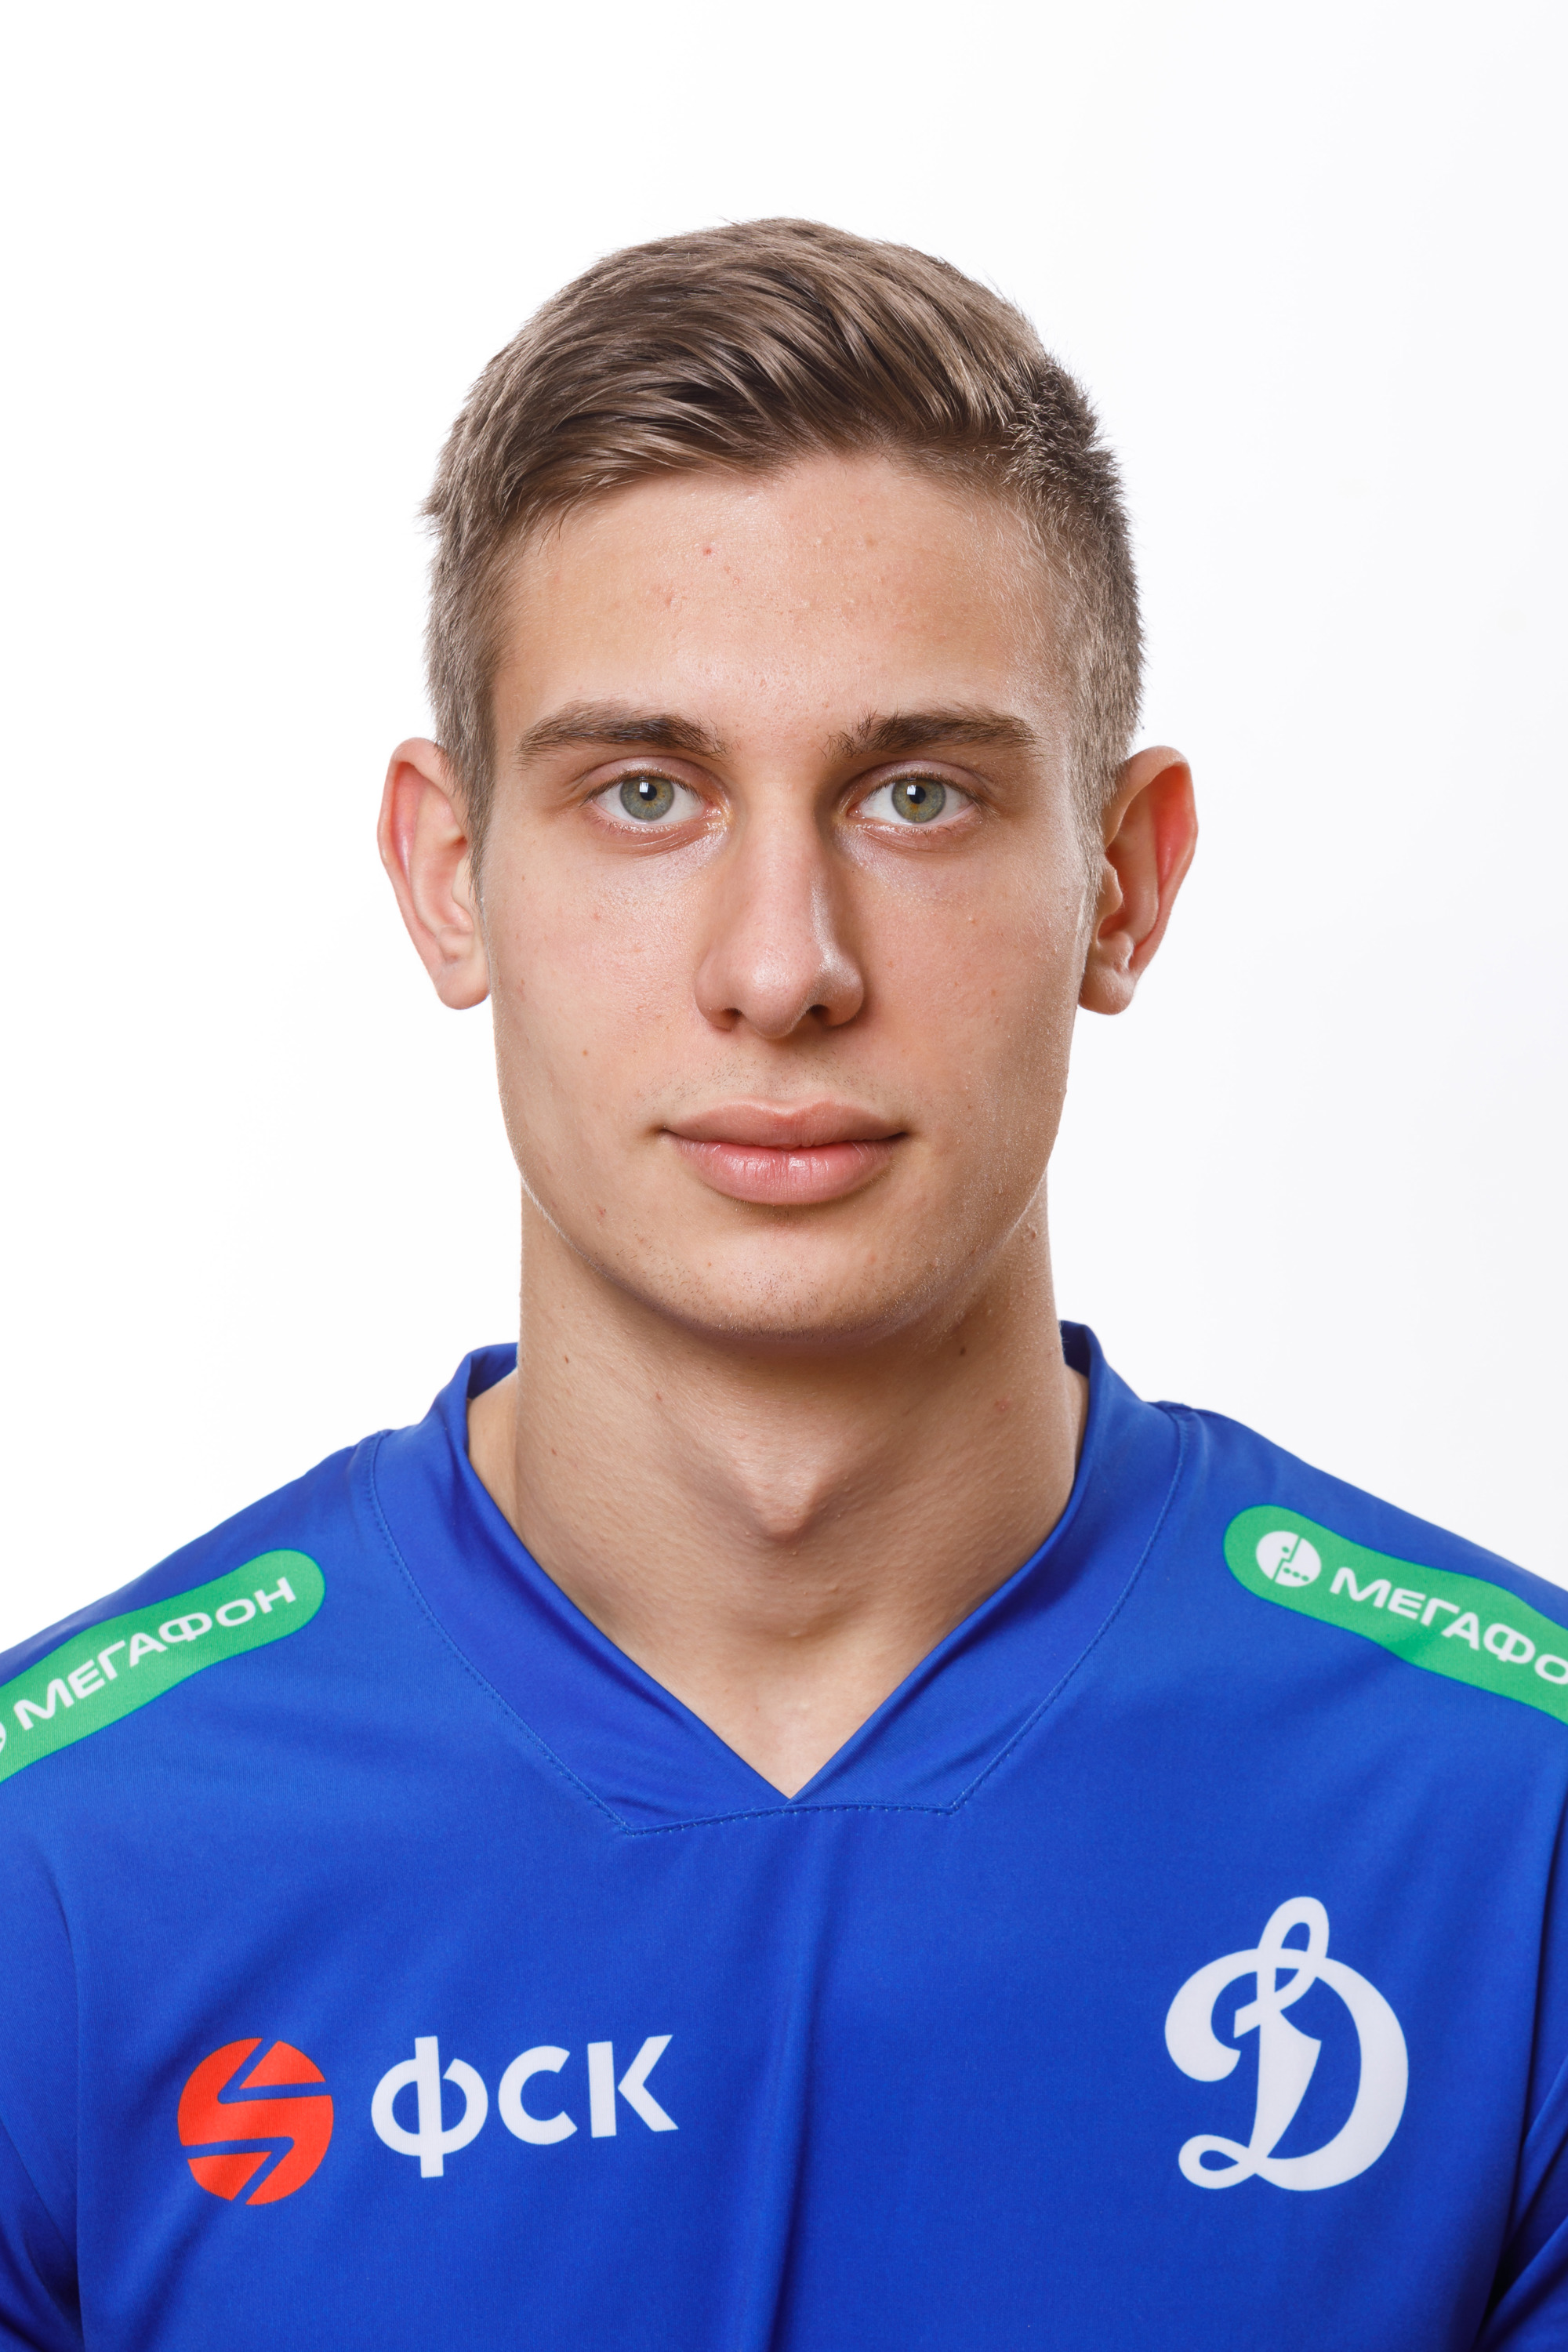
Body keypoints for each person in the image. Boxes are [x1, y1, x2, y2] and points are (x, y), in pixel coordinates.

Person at [1, 219, 1563, 2352]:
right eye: (644, 794)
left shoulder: (1512, 1833)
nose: (781, 967)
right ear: (451, 880)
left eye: (917, 795)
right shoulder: (66, 1868)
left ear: (1124, 882)